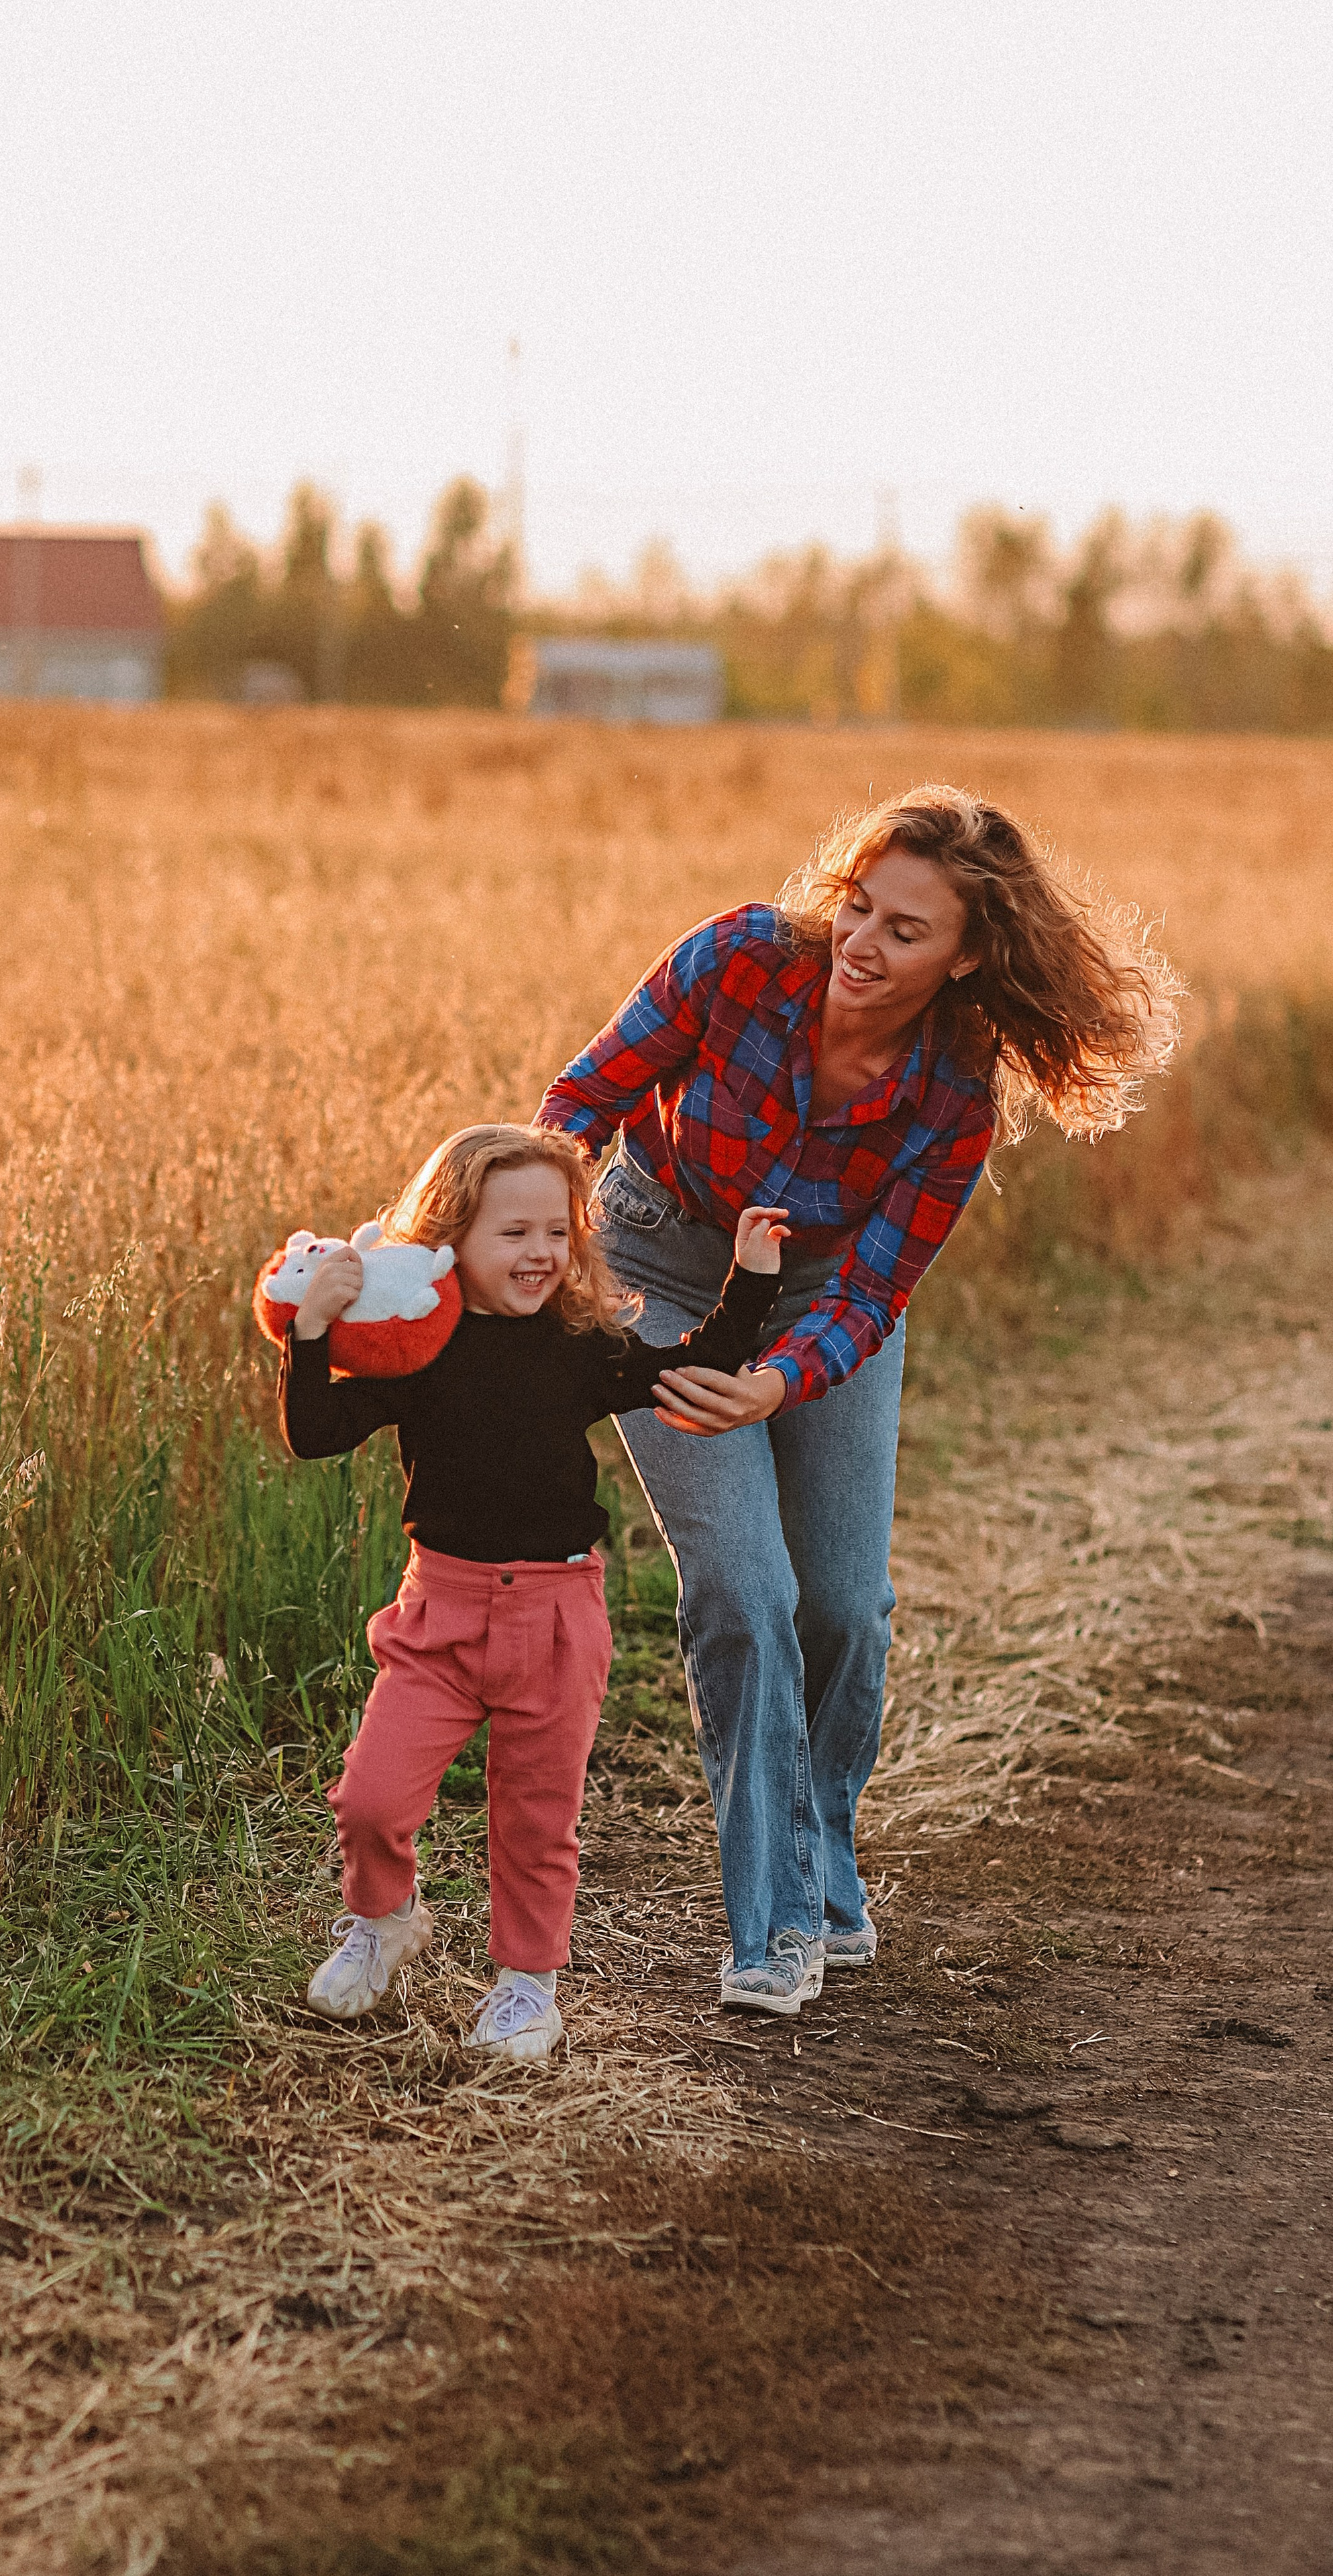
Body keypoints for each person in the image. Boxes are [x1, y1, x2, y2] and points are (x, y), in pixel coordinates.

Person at [537, 784, 1180, 2016]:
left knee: (842, 1603)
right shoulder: (736, 960)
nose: (862, 945)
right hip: (663, 1267)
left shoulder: (953, 1096)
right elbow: (582, 1101)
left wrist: (775, 1376)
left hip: (827, 1300)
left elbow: (876, 1286)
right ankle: (773, 1922)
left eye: (905, 931)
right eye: (858, 907)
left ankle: (823, 1853)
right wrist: (551, 1240)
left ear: (968, 956)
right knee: (745, 1587)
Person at [280, 1123, 790, 2058]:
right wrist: (311, 1330)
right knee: (370, 1799)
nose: (541, 1253)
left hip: (557, 1617)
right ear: (451, 1238)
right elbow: (315, 1431)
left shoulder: (582, 1348)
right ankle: (385, 1918)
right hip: (440, 1612)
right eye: (513, 1233)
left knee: (535, 1819)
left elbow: (702, 1361)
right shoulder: (416, 1353)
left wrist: (751, 1275)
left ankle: (526, 1989)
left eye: (557, 1232)